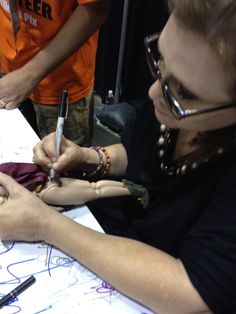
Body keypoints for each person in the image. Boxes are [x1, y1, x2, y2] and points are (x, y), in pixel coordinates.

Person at [1, 0, 236, 313]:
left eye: (185, 94)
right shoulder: (174, 99)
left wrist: (45, 226)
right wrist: (86, 156)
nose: (154, 93)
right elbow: (139, 150)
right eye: (160, 60)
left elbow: (193, 293)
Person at [0, 0, 109, 146]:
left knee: (63, 162)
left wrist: (29, 75)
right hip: (7, 64)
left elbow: (96, 9)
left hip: (60, 82)